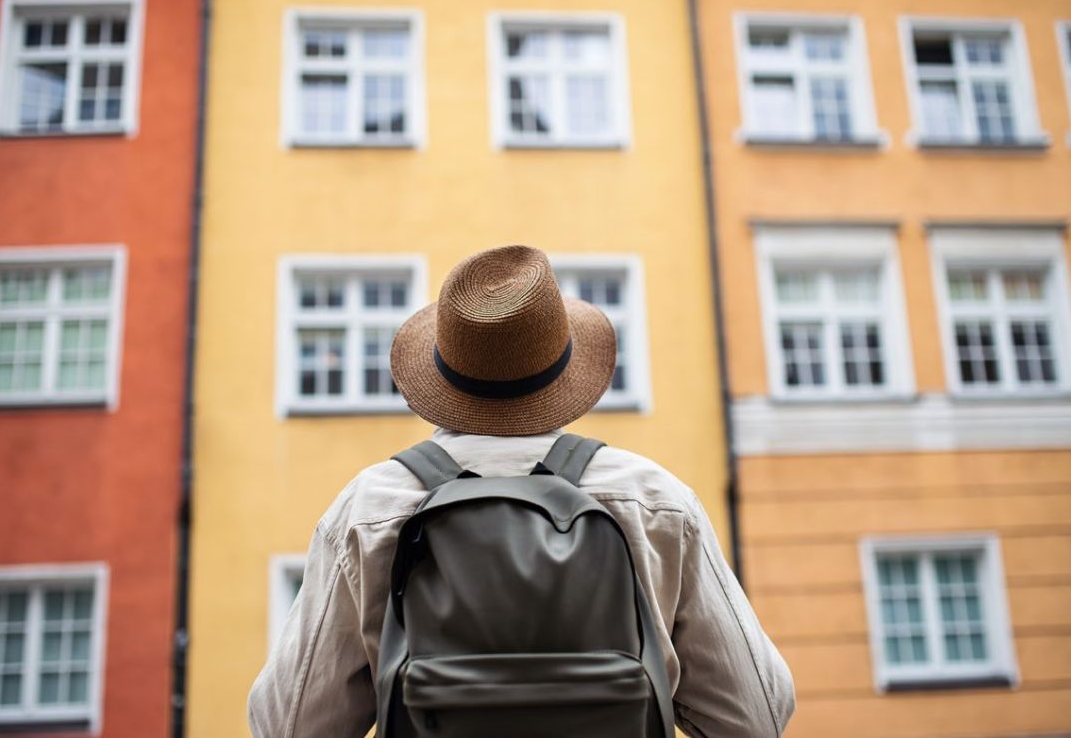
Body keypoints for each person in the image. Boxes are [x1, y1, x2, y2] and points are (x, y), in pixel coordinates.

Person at [248, 245, 795, 738]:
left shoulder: (369, 508)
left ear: (445, 373)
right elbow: (757, 715)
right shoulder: (654, 499)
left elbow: (288, 724)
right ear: (562, 372)